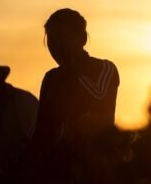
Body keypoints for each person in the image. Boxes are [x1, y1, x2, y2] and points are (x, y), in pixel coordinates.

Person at [32, 9, 119, 156]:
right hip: (58, 166)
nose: (57, 46)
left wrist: (74, 68)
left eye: (62, 38)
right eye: (52, 40)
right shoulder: (51, 78)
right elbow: (41, 130)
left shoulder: (105, 68)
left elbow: (99, 99)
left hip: (96, 162)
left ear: (82, 38)